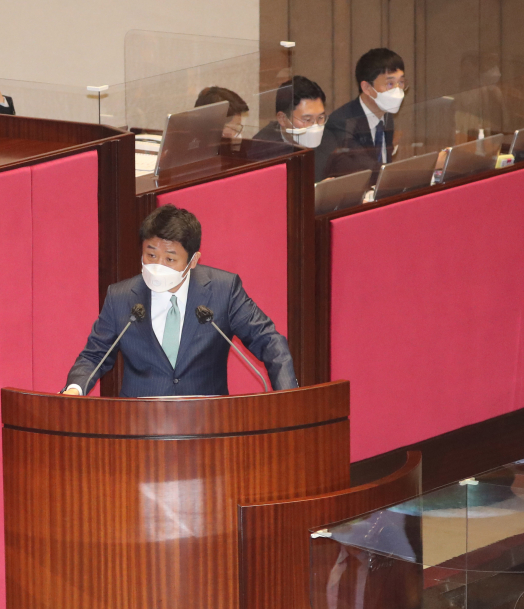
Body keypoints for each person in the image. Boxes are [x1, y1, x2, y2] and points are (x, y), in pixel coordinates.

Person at [62, 205, 297, 397]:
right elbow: (95, 355)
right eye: (151, 255)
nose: (158, 266)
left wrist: (289, 397)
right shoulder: (121, 297)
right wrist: (75, 388)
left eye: (170, 258)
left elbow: (268, 341)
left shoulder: (224, 290)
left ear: (193, 261)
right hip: (137, 429)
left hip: (208, 427)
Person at [322, 48, 407, 176]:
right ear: (367, 88)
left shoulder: (386, 115)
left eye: (401, 82)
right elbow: (367, 169)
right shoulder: (342, 122)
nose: (398, 90)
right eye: (390, 84)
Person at [251, 77, 333, 179]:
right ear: (282, 119)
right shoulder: (262, 148)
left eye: (320, 117)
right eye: (307, 119)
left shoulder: (329, 139)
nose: (315, 126)